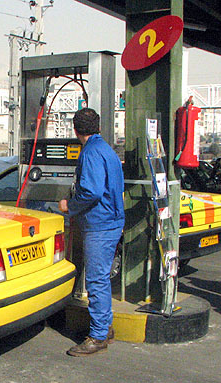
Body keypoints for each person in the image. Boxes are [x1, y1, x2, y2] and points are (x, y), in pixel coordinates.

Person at [58, 107, 124, 357]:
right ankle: (104, 327)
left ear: (75, 130)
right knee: (102, 279)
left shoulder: (91, 153)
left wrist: (69, 206)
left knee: (95, 280)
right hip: (112, 222)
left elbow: (92, 191)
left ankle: (97, 336)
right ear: (98, 127)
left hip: (99, 224)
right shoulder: (107, 150)